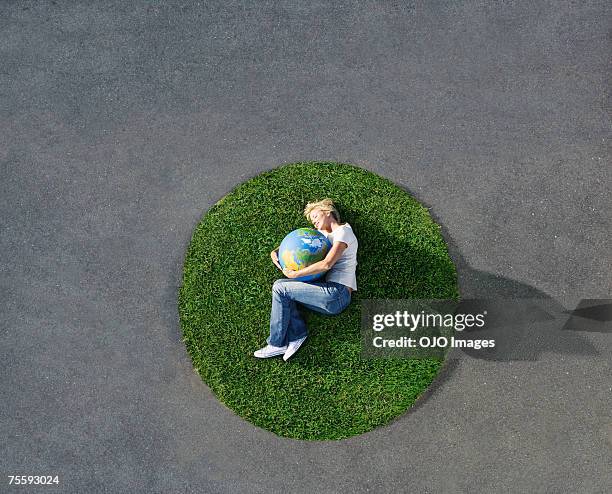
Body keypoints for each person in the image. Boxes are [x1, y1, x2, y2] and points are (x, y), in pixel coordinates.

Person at [254, 199, 358, 361]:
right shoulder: (323, 237)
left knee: (280, 287)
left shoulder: (343, 232)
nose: (314, 222)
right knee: (285, 293)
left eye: (315, 216)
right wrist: (275, 253)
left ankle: (276, 344)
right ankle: (297, 336)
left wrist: (295, 274)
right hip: (327, 294)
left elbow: (326, 264)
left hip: (337, 294)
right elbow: (299, 242)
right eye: (312, 220)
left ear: (328, 212)